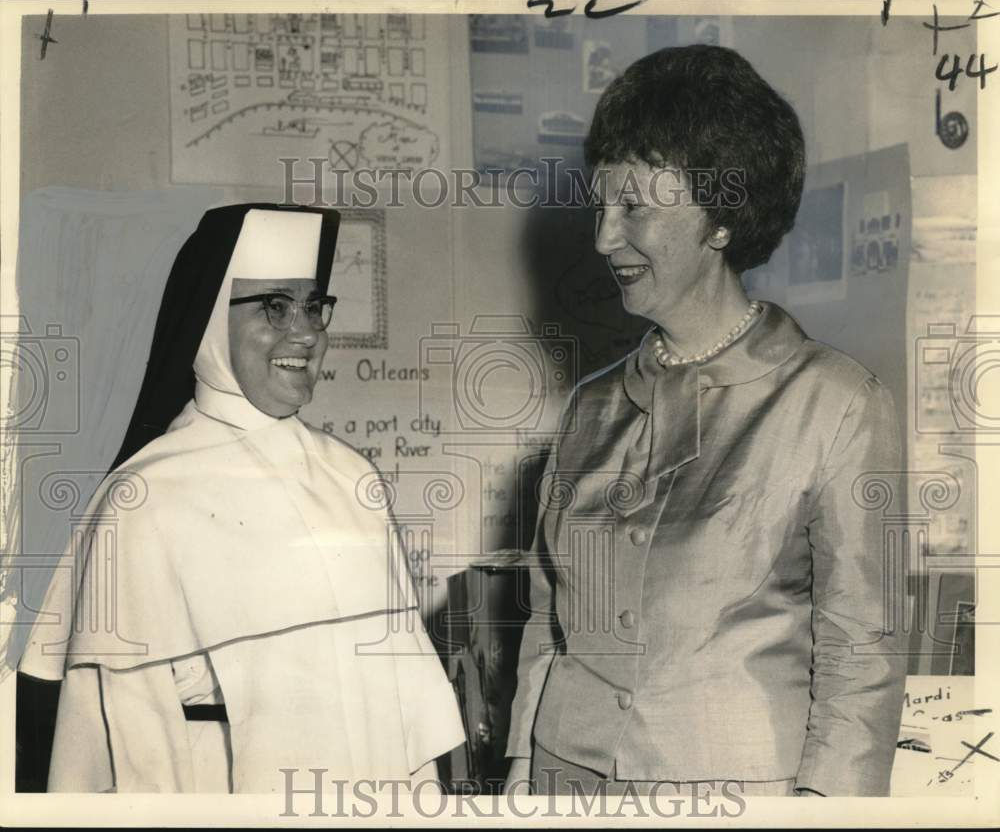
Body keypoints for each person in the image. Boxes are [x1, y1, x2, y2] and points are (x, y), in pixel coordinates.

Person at [505, 45, 907, 797]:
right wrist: (524, 773)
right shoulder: (591, 406)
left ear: (721, 217)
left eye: (634, 208)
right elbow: (546, 620)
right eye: (600, 206)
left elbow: (862, 657)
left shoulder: (838, 403)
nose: (602, 238)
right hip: (567, 786)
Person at [18, 204, 465, 793]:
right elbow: (129, 742)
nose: (305, 332)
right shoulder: (142, 499)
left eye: (313, 306)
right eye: (275, 307)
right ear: (209, 323)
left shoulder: (352, 478)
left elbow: (405, 710)